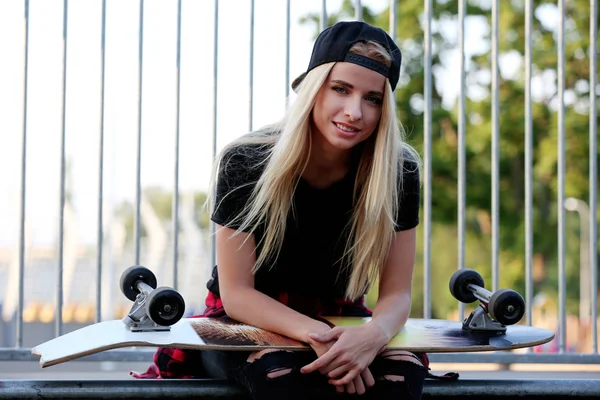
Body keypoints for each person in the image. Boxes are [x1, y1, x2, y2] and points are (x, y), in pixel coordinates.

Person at [134, 20, 428, 399]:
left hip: (344, 321)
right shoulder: (246, 161)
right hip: (245, 320)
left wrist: (371, 336)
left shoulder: (398, 171)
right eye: (341, 89)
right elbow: (237, 293)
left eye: (372, 99)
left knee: (401, 373)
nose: (355, 111)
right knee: (280, 373)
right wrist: (317, 336)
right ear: (312, 89)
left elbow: (397, 294)